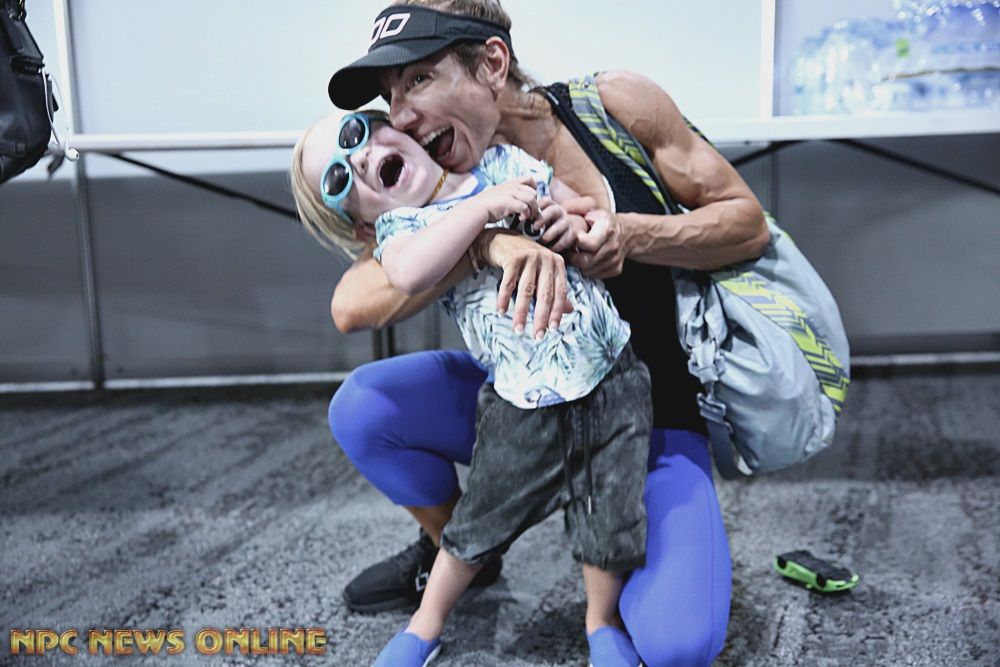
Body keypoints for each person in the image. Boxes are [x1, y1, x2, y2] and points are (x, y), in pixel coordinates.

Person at [320, 2, 769, 665]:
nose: (401, 115)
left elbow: (747, 224)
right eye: (391, 95)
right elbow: (352, 302)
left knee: (679, 645)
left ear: (492, 63)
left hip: (645, 410)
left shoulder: (614, 104)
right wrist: (488, 240)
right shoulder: (432, 167)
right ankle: (458, 548)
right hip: (520, 401)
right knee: (364, 407)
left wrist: (627, 235)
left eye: (417, 79)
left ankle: (602, 572)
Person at [294, 107, 655, 665]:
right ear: (363, 226)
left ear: (398, 131)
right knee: (479, 517)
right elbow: (410, 273)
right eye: (339, 176)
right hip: (522, 399)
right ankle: (425, 625)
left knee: (609, 514)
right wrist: (484, 214)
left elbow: (579, 208)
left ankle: (600, 622)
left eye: (355, 133)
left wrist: (574, 223)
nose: (359, 158)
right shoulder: (403, 230)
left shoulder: (502, 162)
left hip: (611, 375)